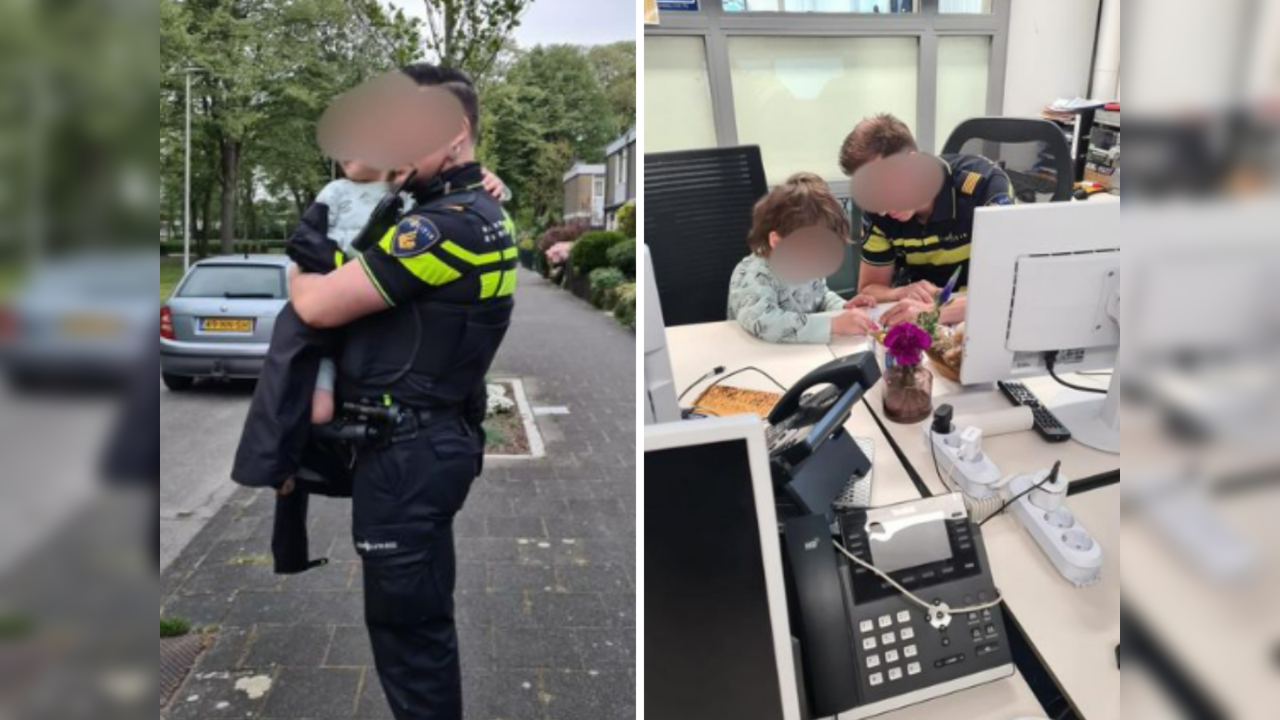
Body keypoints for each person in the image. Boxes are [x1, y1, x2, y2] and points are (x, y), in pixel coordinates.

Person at [286, 63, 517, 720]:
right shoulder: (476, 209)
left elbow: (322, 307)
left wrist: (298, 279)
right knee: (421, 617)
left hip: (409, 456)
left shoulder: (441, 227)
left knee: (408, 637)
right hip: (431, 444)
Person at [838, 113, 1014, 328]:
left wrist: (933, 313)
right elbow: (869, 288)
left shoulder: (985, 187)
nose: (881, 209)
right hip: (918, 321)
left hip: (979, 320)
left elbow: (1009, 290)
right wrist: (899, 292)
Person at [727, 172, 879, 344]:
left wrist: (843, 307)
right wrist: (833, 324)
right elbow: (764, 322)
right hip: (757, 356)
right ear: (777, 242)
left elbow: (820, 296)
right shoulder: (753, 275)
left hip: (801, 353)